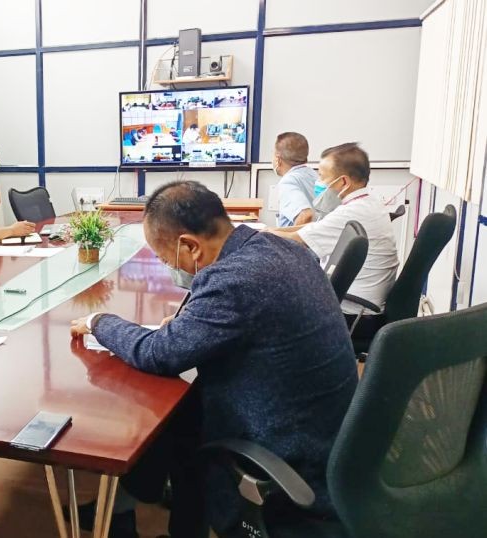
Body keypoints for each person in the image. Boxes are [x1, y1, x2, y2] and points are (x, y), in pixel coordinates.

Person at [70, 181, 358, 538]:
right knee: (175, 411)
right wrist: (190, 322)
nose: (167, 267)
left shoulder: (233, 281)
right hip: (329, 433)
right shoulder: (280, 248)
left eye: (165, 259)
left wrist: (98, 321)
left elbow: (159, 354)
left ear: (190, 246)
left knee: (170, 411)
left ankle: (145, 514)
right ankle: (128, 509)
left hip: (290, 453)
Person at [269, 143, 399, 340]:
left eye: (322, 176)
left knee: (270, 304)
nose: (318, 182)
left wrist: (261, 234)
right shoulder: (368, 201)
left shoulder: (352, 212)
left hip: (353, 315)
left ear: (343, 182)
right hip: (359, 305)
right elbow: (311, 228)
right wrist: (270, 231)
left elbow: (299, 239)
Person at [273, 132, 318, 227]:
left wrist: (290, 235)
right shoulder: (313, 174)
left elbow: (306, 215)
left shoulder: (287, 182)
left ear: (278, 159)